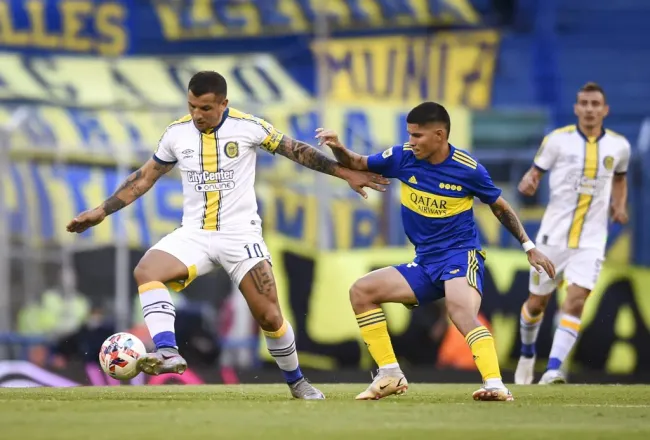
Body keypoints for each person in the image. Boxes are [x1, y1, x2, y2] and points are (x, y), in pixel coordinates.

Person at [66, 71, 389, 399]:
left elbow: (296, 150)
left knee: (270, 316)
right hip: (194, 233)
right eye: (192, 106)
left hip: (240, 236)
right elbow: (144, 177)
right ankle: (167, 351)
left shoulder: (249, 127)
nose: (197, 115)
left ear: (224, 103)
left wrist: (345, 172)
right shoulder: (176, 134)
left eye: (205, 108)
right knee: (146, 271)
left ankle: (297, 382)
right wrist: (100, 211)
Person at [315, 101, 555, 401]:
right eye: (410, 134)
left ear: (439, 136)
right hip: (426, 262)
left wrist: (528, 247)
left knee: (460, 312)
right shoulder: (402, 156)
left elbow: (500, 207)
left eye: (418, 136)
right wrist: (337, 146)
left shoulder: (469, 170)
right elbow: (358, 162)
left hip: (459, 255)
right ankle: (389, 374)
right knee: (361, 292)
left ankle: (495, 384)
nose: (411, 141)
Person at [514, 82, 630, 385]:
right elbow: (535, 172)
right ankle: (527, 354)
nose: (590, 109)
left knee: (575, 301)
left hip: (591, 240)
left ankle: (553, 368)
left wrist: (619, 205)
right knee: (536, 304)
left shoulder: (619, 146)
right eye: (584, 103)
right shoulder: (557, 141)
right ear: (577, 108)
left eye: (595, 104)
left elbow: (620, 178)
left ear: (605, 110)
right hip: (553, 238)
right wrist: (530, 180)